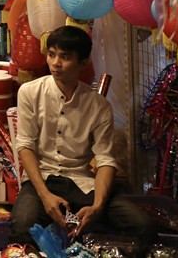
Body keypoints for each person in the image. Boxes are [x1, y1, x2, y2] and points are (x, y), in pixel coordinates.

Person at [11, 26, 152, 248]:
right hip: (42, 179)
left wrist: (97, 206)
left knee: (142, 224)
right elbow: (25, 145)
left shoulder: (99, 106)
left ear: (83, 63)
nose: (55, 63)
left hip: (83, 183)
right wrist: (45, 196)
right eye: (51, 54)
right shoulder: (29, 92)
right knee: (22, 224)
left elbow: (105, 160)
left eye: (65, 57)